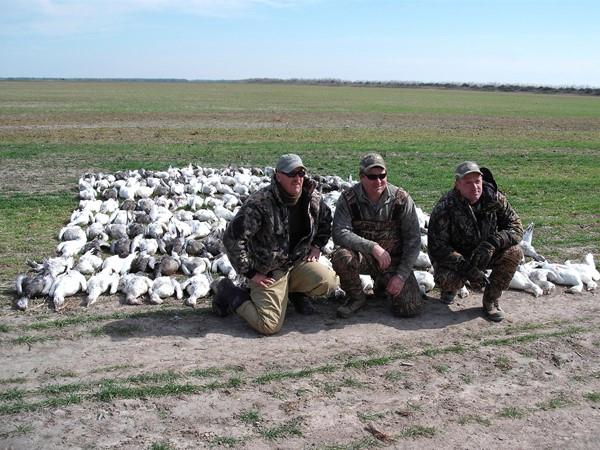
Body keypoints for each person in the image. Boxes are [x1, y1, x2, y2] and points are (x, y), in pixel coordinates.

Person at [213, 154, 338, 335]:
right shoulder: (260, 204)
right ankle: (229, 291)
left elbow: (326, 219)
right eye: (292, 174)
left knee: (329, 282)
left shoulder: (312, 198)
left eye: (301, 173)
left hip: (296, 262)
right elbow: (232, 238)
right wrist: (250, 272)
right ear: (278, 175)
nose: (298, 178)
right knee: (268, 325)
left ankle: (294, 293)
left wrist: (317, 245)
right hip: (270, 271)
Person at [427, 161, 523, 322]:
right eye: (468, 183)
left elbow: (516, 227)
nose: (475, 187)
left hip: (486, 253)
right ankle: (450, 290)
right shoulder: (446, 206)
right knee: (448, 279)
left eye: (477, 181)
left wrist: (493, 243)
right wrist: (468, 269)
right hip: (457, 259)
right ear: (457, 185)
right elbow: (438, 247)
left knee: (515, 252)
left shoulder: (494, 198)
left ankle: (491, 300)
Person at [331, 153, 423, 318]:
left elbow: (413, 240)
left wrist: (401, 276)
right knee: (341, 257)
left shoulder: (401, 199)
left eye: (382, 176)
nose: (378, 181)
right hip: (364, 257)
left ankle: (383, 283)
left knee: (409, 308)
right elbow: (339, 232)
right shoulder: (348, 198)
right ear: (361, 177)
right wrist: (372, 247)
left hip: (393, 261)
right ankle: (356, 297)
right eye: (372, 177)